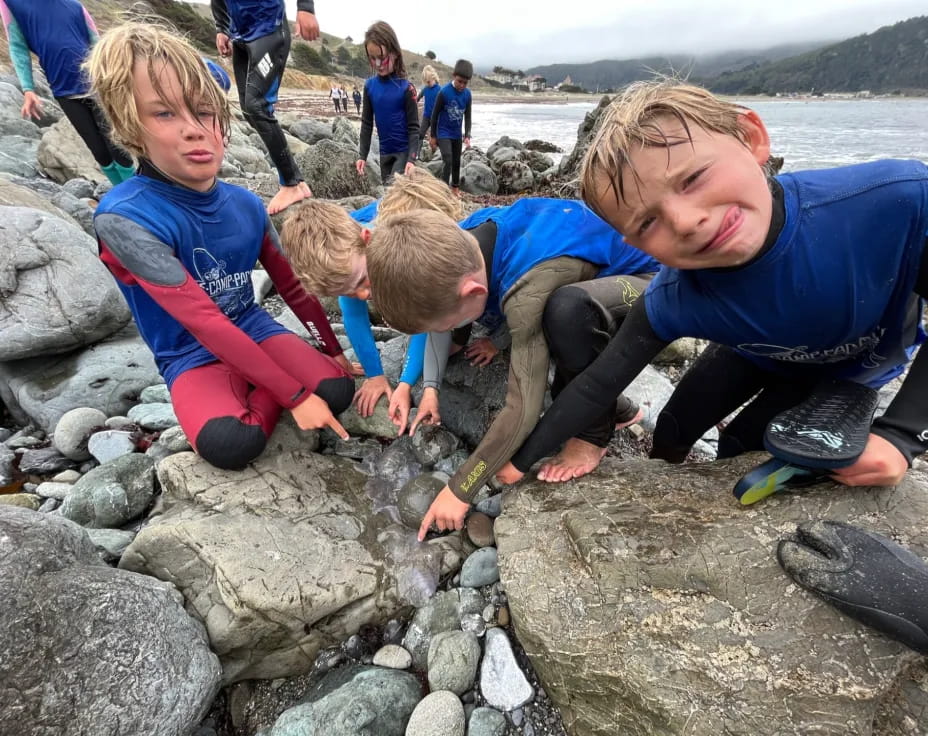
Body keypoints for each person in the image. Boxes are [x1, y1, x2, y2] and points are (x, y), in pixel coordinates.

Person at [495, 79, 928, 494]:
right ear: (636, 243)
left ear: (750, 137)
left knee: (742, 443)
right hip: (759, 351)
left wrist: (902, 435)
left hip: (851, 364)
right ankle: (667, 500)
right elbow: (596, 385)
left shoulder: (898, 203)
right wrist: (514, 465)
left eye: (693, 179)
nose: (686, 222)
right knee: (673, 427)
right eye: (648, 222)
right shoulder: (674, 297)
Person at [87, 23, 357, 470]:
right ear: (128, 125)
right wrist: (292, 395)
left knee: (337, 389)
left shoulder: (247, 205)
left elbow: (293, 287)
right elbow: (205, 321)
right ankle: (259, 383)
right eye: (164, 114)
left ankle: (259, 379)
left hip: (251, 327)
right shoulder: (125, 217)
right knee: (231, 444)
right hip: (190, 351)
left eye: (204, 112)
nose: (196, 131)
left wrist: (332, 349)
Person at [365, 200, 660, 540]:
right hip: (569, 259)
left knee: (564, 314)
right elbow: (443, 322)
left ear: (473, 292)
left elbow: (522, 406)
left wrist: (462, 488)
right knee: (541, 317)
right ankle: (620, 408)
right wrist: (429, 384)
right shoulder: (460, 240)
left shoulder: (528, 293)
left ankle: (594, 433)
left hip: (651, 282)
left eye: (448, 325)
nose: (445, 332)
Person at [279, 170, 464, 425]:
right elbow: (353, 315)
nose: (364, 295)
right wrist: (375, 374)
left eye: (361, 282)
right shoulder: (345, 258)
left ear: (367, 241)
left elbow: (425, 321)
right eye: (347, 291)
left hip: (423, 236)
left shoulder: (397, 256)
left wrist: (405, 383)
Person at [0, 0, 135, 185]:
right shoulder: (11, 3)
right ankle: (121, 189)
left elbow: (96, 41)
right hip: (63, 89)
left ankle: (137, 192)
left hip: (96, 84)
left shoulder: (75, 6)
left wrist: (111, 76)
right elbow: (17, 46)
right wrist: (28, 89)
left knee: (116, 145)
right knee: (98, 150)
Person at [211, 0, 316, 215]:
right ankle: (295, 181)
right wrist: (222, 27)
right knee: (250, 110)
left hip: (269, 29)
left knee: (255, 106)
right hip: (240, 37)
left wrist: (305, 8)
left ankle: (292, 184)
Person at [356, 21, 419, 186]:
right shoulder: (369, 86)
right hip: (385, 153)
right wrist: (362, 155)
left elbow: (414, 128)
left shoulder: (407, 89)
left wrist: (412, 159)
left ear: (395, 53)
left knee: (393, 192)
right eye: (372, 58)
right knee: (386, 192)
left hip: (403, 154)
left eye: (382, 58)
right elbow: (367, 123)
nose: (377, 64)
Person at [430, 59, 472, 194]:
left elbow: (468, 116)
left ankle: (455, 188)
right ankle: (443, 189)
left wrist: (467, 134)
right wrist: (433, 136)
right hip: (443, 132)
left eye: (465, 83)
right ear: (454, 75)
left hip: (456, 134)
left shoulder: (467, 95)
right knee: (448, 159)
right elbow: (434, 115)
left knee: (456, 161)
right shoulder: (444, 92)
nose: (462, 85)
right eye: (460, 81)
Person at [416, 65, 440, 145]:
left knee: (435, 136)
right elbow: (418, 98)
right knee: (421, 134)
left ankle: (437, 153)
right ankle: (417, 153)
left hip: (436, 118)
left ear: (434, 78)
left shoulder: (439, 89)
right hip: (426, 116)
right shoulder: (425, 89)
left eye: (428, 82)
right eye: (426, 82)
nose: (427, 84)